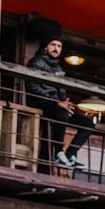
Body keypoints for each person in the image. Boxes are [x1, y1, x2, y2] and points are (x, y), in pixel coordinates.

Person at [26, 18, 93, 170]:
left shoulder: (58, 67)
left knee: (88, 124)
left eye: (59, 46)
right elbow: (32, 86)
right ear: (45, 48)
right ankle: (58, 153)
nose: (56, 48)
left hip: (57, 105)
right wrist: (57, 102)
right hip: (40, 102)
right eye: (53, 45)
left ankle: (70, 154)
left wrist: (65, 101)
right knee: (62, 114)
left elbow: (61, 89)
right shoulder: (36, 62)